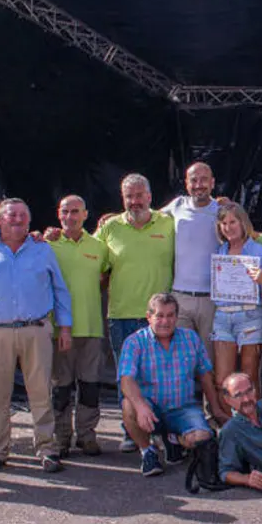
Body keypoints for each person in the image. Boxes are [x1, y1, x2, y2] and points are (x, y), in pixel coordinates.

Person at [0, 199, 73, 475]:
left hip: (36, 330)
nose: (16, 220)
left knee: (41, 392)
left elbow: (60, 291)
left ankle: (47, 448)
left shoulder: (42, 250)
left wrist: (64, 326)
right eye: (11, 215)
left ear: (30, 221)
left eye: (22, 216)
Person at [95, 173, 176, 453]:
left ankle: (163, 430)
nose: (135, 201)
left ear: (150, 197)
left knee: (161, 376)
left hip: (160, 317)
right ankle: (130, 432)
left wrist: (221, 203)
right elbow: (92, 258)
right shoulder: (110, 227)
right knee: (126, 376)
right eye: (129, 196)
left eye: (140, 195)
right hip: (122, 315)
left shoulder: (168, 223)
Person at [120, 293, 226, 477]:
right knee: (128, 405)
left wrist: (216, 410)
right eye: (159, 315)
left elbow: (205, 375)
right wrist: (141, 406)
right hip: (150, 410)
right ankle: (148, 452)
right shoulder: (135, 342)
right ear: (149, 317)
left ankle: (173, 439)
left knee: (202, 438)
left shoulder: (191, 338)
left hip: (182, 409)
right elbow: (126, 380)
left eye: (170, 315)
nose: (165, 321)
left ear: (177, 317)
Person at [48, 195, 110, 458]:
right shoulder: (47, 245)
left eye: (75, 211)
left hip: (92, 327)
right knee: (61, 387)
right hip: (58, 329)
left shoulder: (99, 247)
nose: (70, 216)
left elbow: (104, 277)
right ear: (58, 214)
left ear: (86, 214)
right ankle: (61, 438)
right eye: (65, 211)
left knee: (90, 385)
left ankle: (86, 436)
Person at [211, 202, 262, 401]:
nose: (229, 227)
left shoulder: (261, 253)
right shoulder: (219, 253)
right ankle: (230, 427)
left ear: (243, 222)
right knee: (222, 379)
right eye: (224, 223)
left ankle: (254, 425)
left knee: (250, 377)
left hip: (251, 316)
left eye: (233, 222)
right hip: (223, 316)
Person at [161, 162, 221, 355]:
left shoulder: (221, 211)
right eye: (193, 180)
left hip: (211, 300)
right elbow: (147, 218)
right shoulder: (177, 205)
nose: (198, 185)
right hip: (180, 298)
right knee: (181, 359)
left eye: (203, 180)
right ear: (186, 183)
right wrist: (115, 217)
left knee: (209, 360)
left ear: (212, 183)